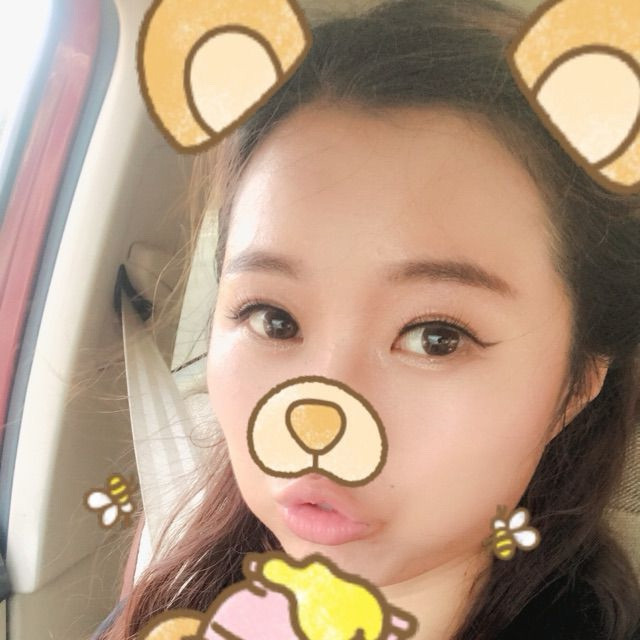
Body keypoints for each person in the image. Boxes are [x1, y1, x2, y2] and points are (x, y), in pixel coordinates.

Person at [94, 0, 640, 638]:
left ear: (578, 383)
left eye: (437, 338)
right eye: (274, 319)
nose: (316, 412)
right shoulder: (177, 591)